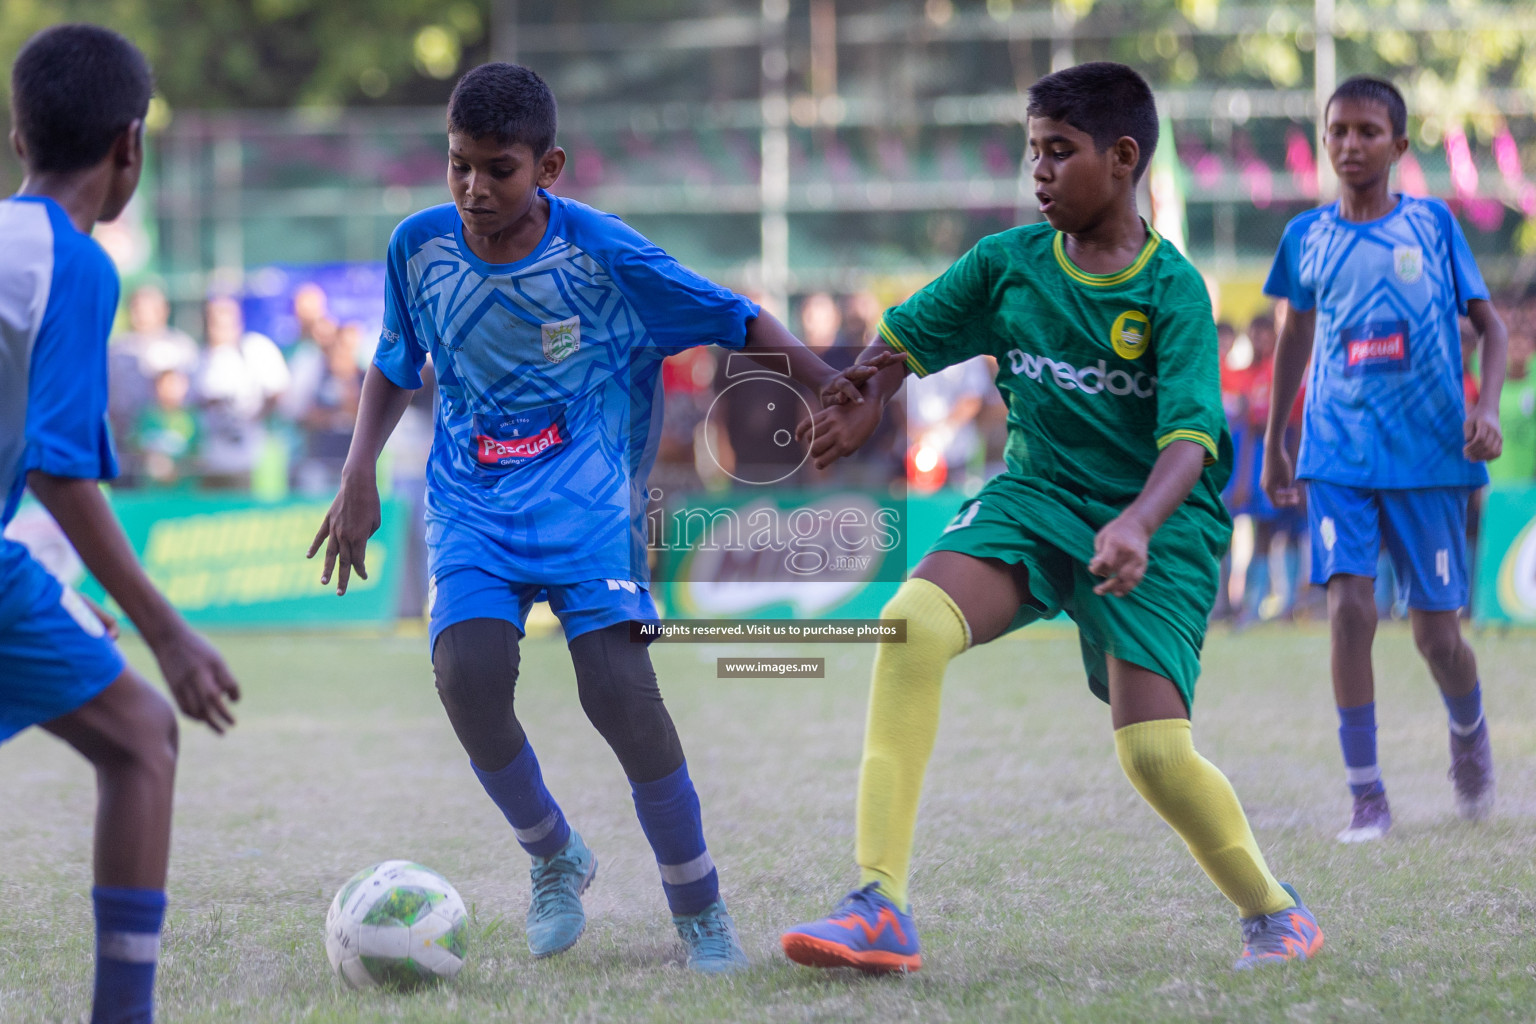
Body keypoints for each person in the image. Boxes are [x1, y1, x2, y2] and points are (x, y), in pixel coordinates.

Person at [307, 62, 859, 972]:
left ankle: (699, 908)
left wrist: (831, 387)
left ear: (549, 167)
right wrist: (358, 470)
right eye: (458, 167)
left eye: (498, 169)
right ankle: (554, 854)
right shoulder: (418, 247)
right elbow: (395, 362)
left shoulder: (608, 256)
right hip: (472, 504)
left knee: (619, 693)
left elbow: (739, 317)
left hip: (592, 507)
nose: (475, 189)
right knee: (466, 675)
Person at [780, 61, 1321, 974]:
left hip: (1160, 527)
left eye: (1057, 152)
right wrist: (867, 390)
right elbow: (905, 338)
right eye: (1032, 151)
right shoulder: (1006, 264)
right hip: (1034, 502)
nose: (1037, 170)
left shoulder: (1173, 291)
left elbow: (1191, 439)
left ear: (1121, 159)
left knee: (1152, 754)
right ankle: (878, 903)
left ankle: (1276, 911)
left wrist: (1140, 524)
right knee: (909, 623)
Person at [1, 24, 240, 1024]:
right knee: (143, 737)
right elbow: (59, 468)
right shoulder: (74, 259)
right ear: (129, 146)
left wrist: (62, 593)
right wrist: (168, 629)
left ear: (19, 137)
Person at [1262, 76, 1507, 843]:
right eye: (1337, 130)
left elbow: (1492, 330)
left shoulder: (1433, 228)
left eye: (1368, 131)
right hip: (1336, 453)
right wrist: (1277, 436)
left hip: (1430, 454)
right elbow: (1294, 339)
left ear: (1398, 146)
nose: (1349, 144)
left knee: (1439, 639)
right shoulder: (1307, 237)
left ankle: (1468, 733)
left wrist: (1488, 407)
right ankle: (1366, 794)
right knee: (1349, 611)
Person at [195, 294, 289, 490]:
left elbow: (279, 391)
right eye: (213, 321)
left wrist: (255, 415)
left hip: (254, 456)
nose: (219, 328)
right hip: (211, 459)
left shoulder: (256, 349)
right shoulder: (199, 360)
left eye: (226, 320)